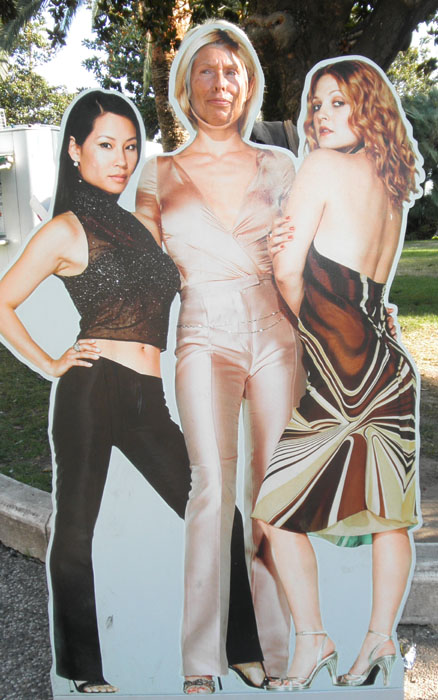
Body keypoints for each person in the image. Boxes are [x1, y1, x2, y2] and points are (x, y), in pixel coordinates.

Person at [0, 89, 265, 694]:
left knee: (219, 513)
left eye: (130, 147)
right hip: (91, 390)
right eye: (106, 145)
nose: (121, 159)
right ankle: (84, 671)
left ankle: (243, 648)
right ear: (75, 149)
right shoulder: (65, 230)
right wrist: (51, 363)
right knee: (76, 529)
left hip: (147, 398)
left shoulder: (140, 224)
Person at [136, 21, 305, 694]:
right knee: (211, 491)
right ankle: (200, 661)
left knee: (273, 494)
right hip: (204, 334)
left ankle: (276, 650)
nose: (219, 83)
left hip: (276, 335)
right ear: (185, 86)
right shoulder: (158, 174)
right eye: (205, 70)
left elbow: (309, 261)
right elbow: (140, 276)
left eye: (232, 71)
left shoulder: (280, 166)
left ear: (250, 83)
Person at [253, 57, 422, 691]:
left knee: (273, 512)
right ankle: (379, 638)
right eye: (317, 105)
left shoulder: (322, 167)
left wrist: (302, 313)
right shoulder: (391, 183)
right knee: (388, 515)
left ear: (367, 107)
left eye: (337, 103)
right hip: (389, 367)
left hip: (343, 370)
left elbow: (289, 273)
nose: (321, 116)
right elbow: (371, 288)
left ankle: (314, 638)